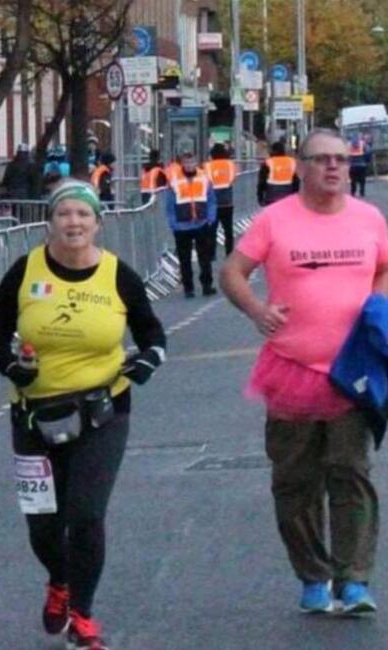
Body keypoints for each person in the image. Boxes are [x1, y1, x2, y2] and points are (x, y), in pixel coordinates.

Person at [0, 179, 166, 650]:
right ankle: (59, 582)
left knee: (86, 515)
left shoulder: (117, 274)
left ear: (97, 224)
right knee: (43, 522)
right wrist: (14, 369)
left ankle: (83, 616)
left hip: (102, 409)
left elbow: (152, 334)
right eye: (64, 214)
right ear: (49, 223)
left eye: (83, 215)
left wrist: (146, 362)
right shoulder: (24, 271)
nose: (73, 223)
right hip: (34, 414)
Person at [220, 128, 388, 616]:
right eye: (321, 160)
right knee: (295, 483)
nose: (333, 167)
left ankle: (353, 580)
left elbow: (383, 266)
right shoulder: (275, 220)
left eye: (340, 158)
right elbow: (232, 272)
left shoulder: (369, 218)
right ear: (300, 166)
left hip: (352, 370)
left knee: (352, 474)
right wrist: (256, 310)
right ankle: (313, 576)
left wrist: (377, 305)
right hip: (291, 368)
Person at [166, 152, 217, 298]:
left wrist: (211, 217)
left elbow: (211, 199)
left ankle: (207, 285)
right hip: (181, 225)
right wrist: (173, 223)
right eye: (187, 163)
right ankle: (189, 288)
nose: (189, 166)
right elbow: (169, 204)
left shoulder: (204, 177)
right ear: (182, 164)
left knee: (205, 257)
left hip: (201, 223)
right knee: (184, 258)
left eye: (192, 162)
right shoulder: (174, 180)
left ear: (196, 163)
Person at [204, 143, 237, 259]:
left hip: (213, 202)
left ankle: (211, 254)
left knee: (211, 230)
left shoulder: (208, 166)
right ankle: (229, 253)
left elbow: (206, 181)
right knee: (228, 230)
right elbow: (233, 178)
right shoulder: (230, 165)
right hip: (227, 201)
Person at [257, 141, 299, 206]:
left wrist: (260, 197)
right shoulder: (292, 162)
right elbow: (297, 182)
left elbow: (261, 182)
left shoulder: (268, 162)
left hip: (271, 195)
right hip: (288, 195)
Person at [348, 133, 371, 198]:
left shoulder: (348, 144)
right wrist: (367, 160)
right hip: (362, 164)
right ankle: (362, 192)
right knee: (362, 179)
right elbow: (368, 152)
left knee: (353, 180)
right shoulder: (363, 143)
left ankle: (353, 192)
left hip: (352, 165)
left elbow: (344, 154)